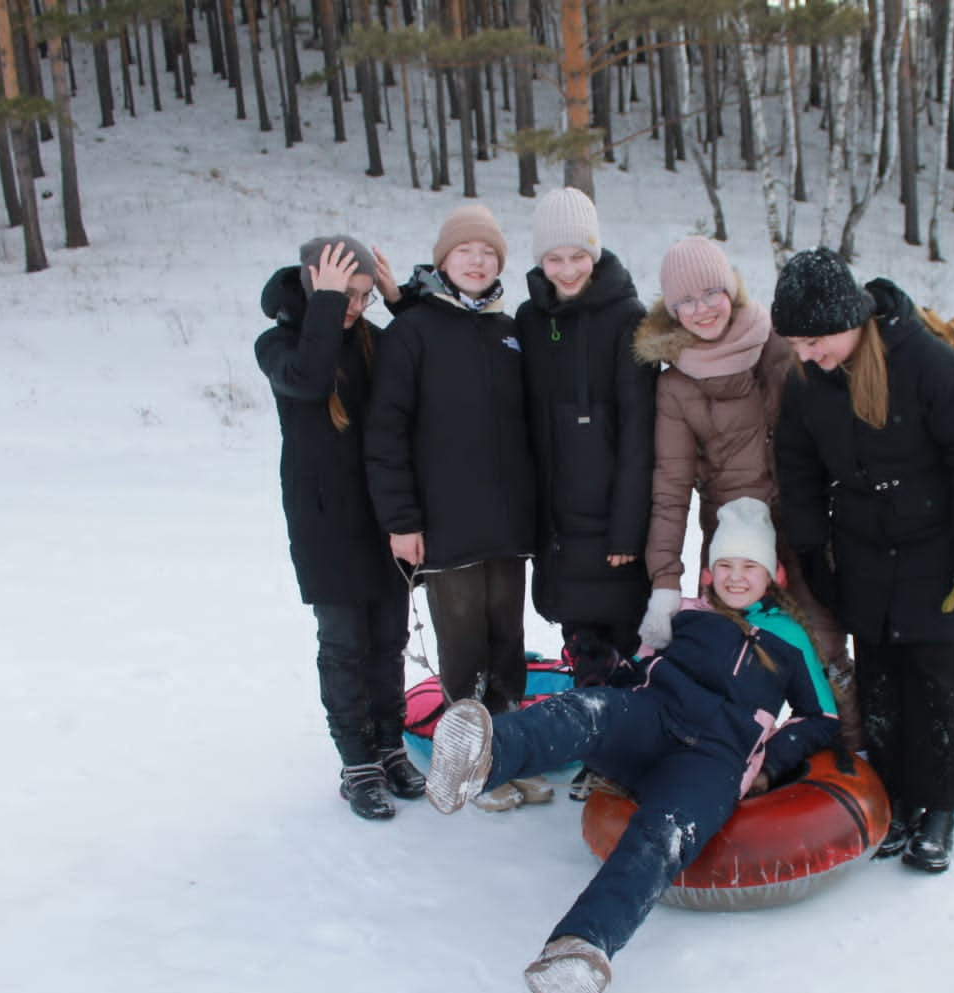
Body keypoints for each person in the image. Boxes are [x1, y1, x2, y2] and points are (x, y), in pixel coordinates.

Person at [424, 498, 840, 993]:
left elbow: (823, 717)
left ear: (770, 574)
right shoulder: (686, 614)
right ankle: (483, 759)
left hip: (714, 761)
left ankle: (583, 946)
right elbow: (639, 669)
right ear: (708, 573)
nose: (734, 577)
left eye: (747, 567)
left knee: (663, 835)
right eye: (724, 565)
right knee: (590, 710)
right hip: (655, 718)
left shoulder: (790, 639)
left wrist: (771, 765)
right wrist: (609, 672)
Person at [771, 248, 954, 874]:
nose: (806, 353)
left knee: (933, 681)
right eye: (795, 342)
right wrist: (811, 548)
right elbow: (796, 470)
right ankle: (894, 797)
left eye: (815, 339)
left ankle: (937, 808)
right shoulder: (807, 383)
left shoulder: (928, 364)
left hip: (937, 550)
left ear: (850, 321)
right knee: (879, 679)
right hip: (861, 549)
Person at [631, 236, 860, 747]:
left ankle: (847, 756)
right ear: (671, 311)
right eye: (685, 301)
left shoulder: (779, 345)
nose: (701, 310)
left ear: (731, 288)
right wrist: (666, 580)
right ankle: (731, 755)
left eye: (710, 293)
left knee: (822, 642)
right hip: (732, 539)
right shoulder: (676, 385)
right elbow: (670, 488)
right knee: (733, 654)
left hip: (800, 521)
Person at [364, 204, 543, 813]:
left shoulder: (508, 329)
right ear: (443, 260)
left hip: (507, 526)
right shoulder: (413, 332)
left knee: (508, 647)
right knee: (464, 651)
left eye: (489, 253)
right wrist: (402, 521)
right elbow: (385, 433)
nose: (477, 261)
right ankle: (472, 771)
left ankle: (510, 758)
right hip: (446, 526)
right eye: (465, 251)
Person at [254, 235, 427, 820]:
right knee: (345, 647)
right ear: (311, 283)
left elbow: (430, 361)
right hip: (324, 525)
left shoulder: (375, 343)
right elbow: (306, 378)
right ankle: (357, 763)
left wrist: (397, 300)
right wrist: (325, 302)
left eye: (360, 295)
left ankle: (389, 746)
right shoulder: (276, 344)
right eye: (342, 294)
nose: (353, 306)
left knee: (389, 643)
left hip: (383, 520)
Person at [516, 187, 654, 689]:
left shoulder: (627, 319)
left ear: (594, 254)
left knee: (624, 652)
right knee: (581, 649)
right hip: (557, 527)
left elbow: (640, 432)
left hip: (611, 530)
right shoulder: (531, 321)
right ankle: (590, 745)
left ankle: (628, 748)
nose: (568, 269)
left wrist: (627, 528)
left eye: (578, 256)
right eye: (555, 258)